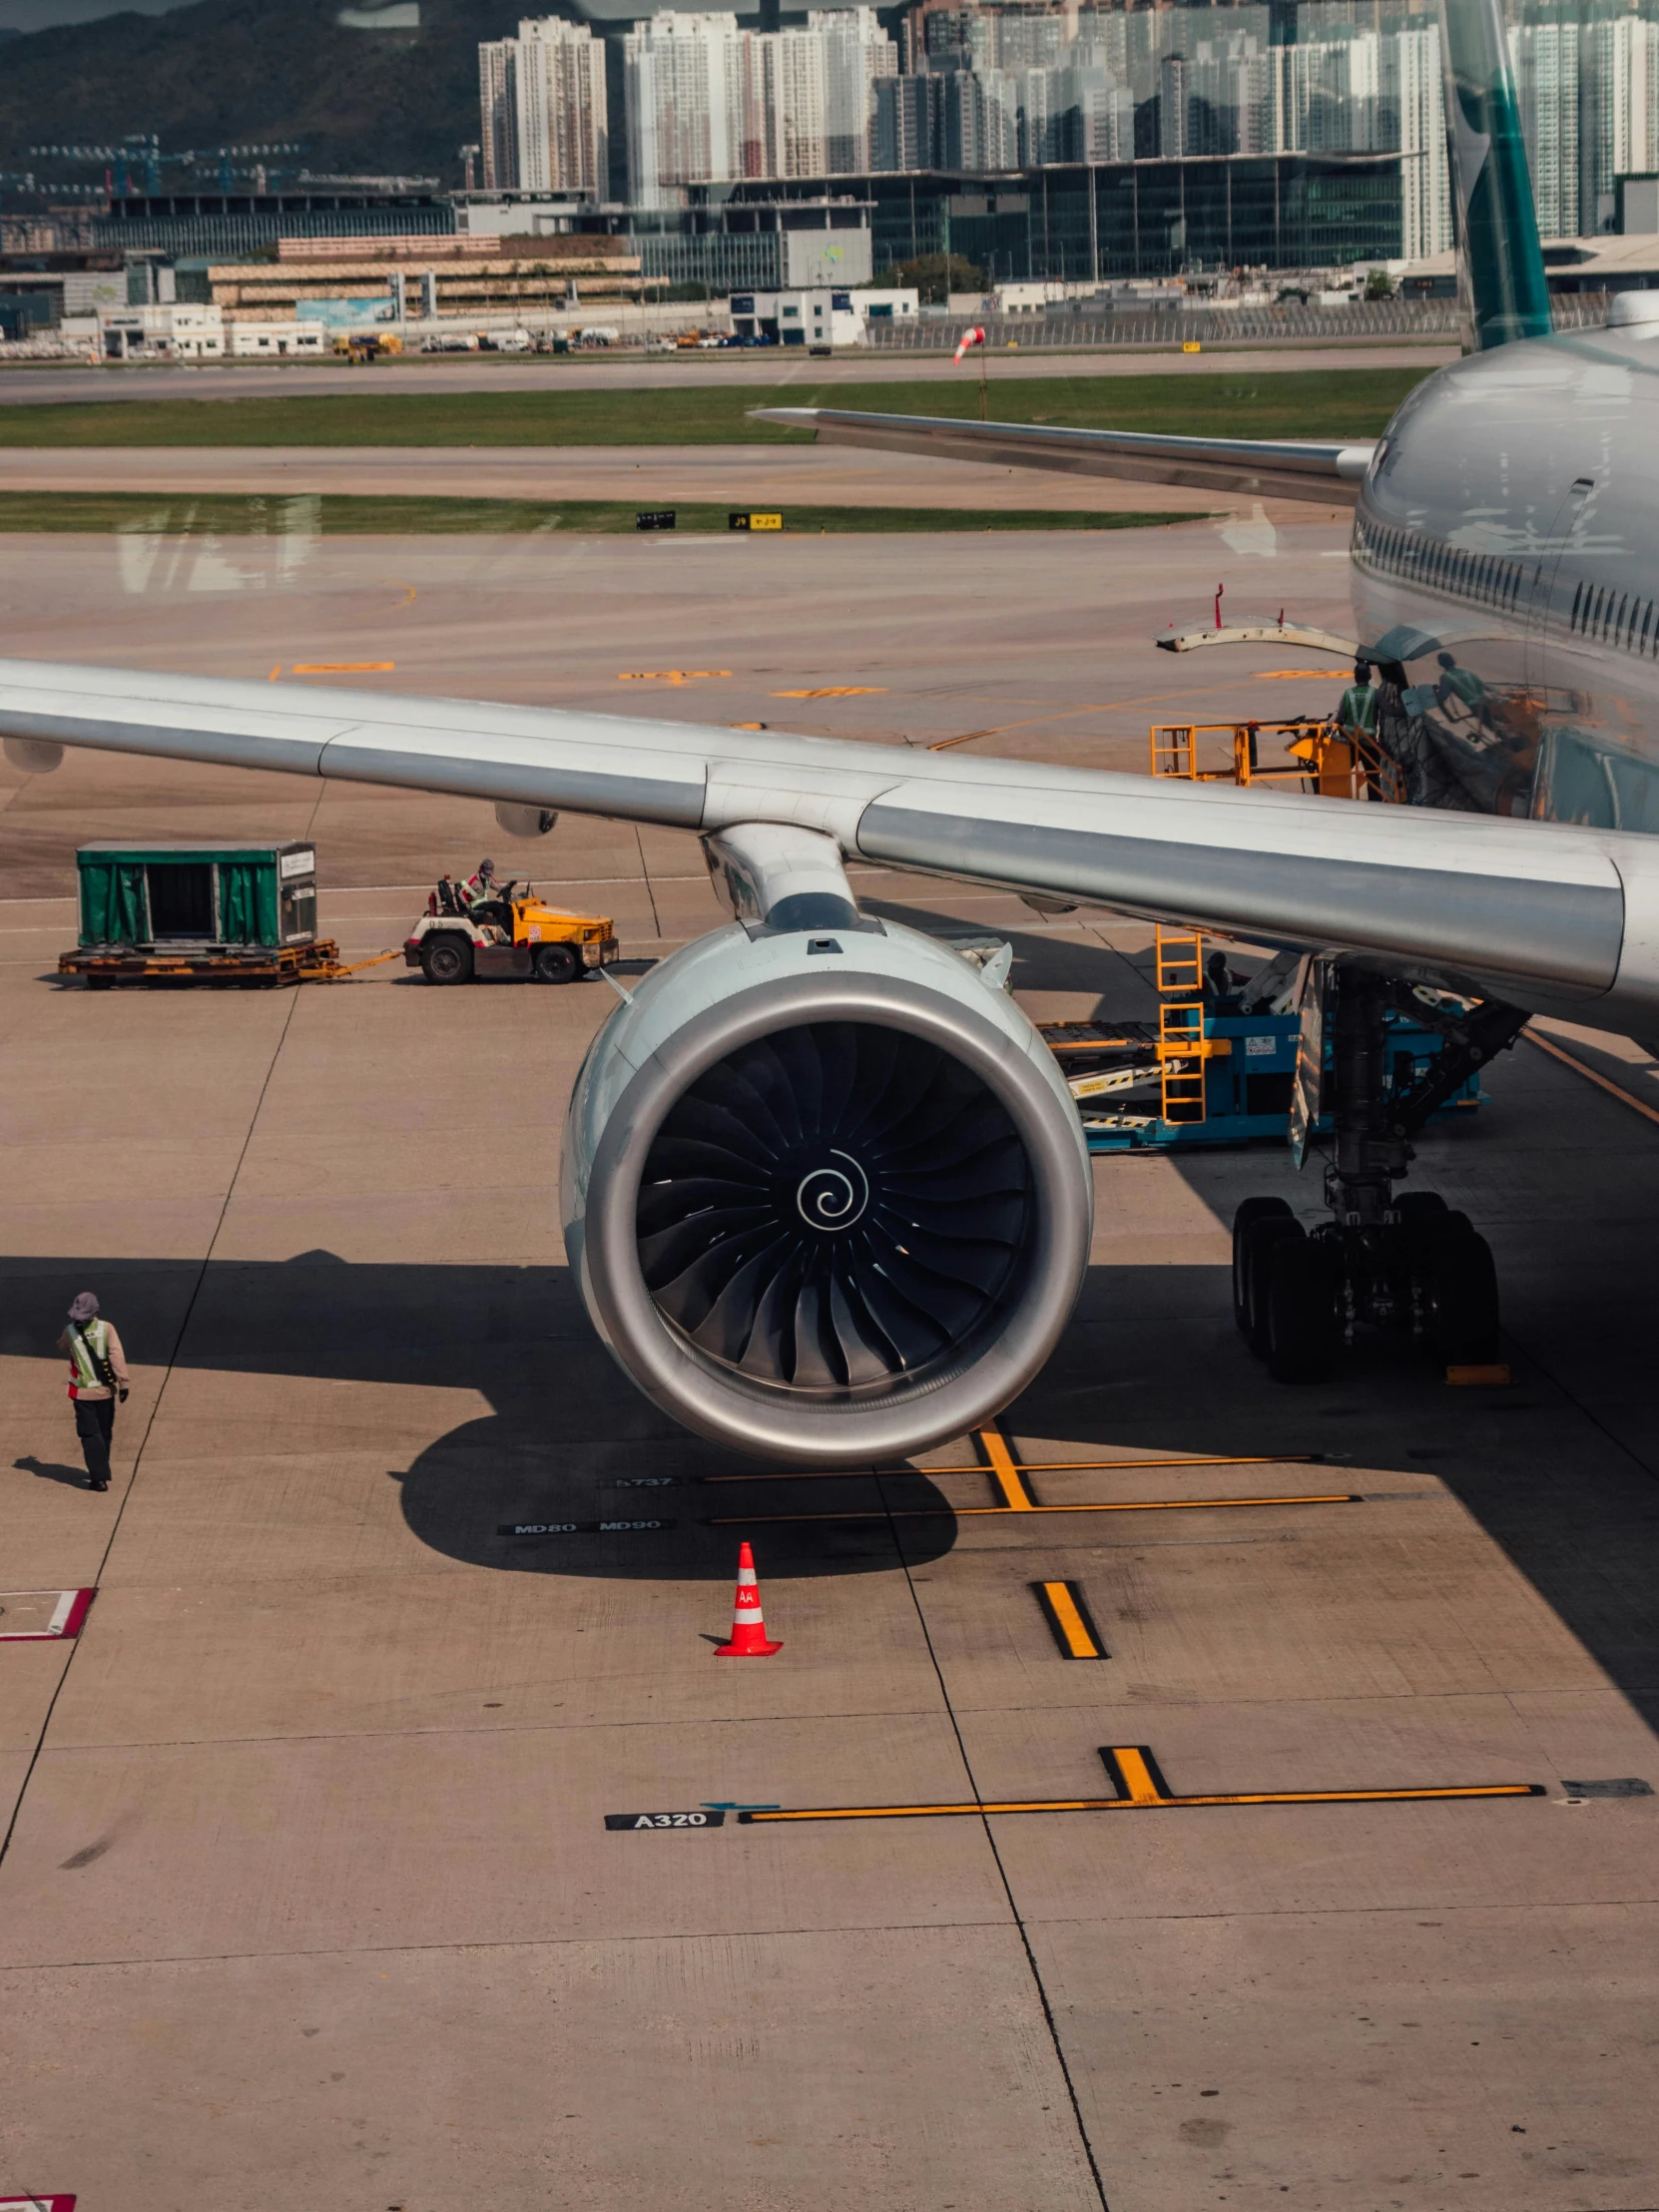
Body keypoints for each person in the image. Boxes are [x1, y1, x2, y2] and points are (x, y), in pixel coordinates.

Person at [57, 1291, 129, 1492]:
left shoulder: (69, 1331)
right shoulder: (107, 1328)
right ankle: (101, 1467)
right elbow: (116, 1354)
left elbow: (62, 1346)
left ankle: (98, 1477)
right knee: (104, 1432)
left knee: (90, 1434)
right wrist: (123, 1383)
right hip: (106, 1391)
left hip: (82, 1392)